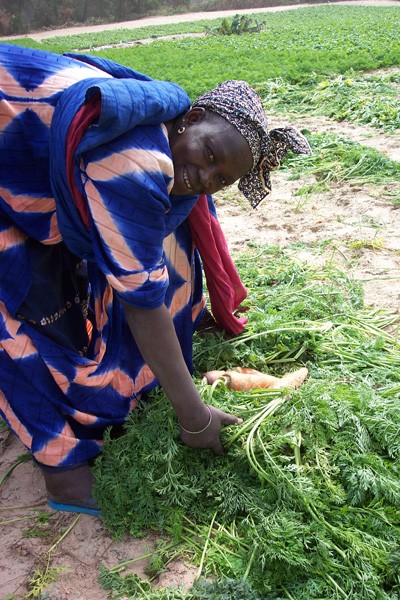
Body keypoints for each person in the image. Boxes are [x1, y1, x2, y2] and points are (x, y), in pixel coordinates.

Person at [0, 44, 311, 515]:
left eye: (221, 178)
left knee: (79, 278)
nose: (205, 176)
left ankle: (112, 386)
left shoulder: (165, 128)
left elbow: (144, 255)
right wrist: (193, 414)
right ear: (194, 116)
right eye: (209, 153)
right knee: (19, 307)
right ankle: (62, 470)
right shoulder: (134, 158)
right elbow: (142, 301)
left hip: (20, 149)